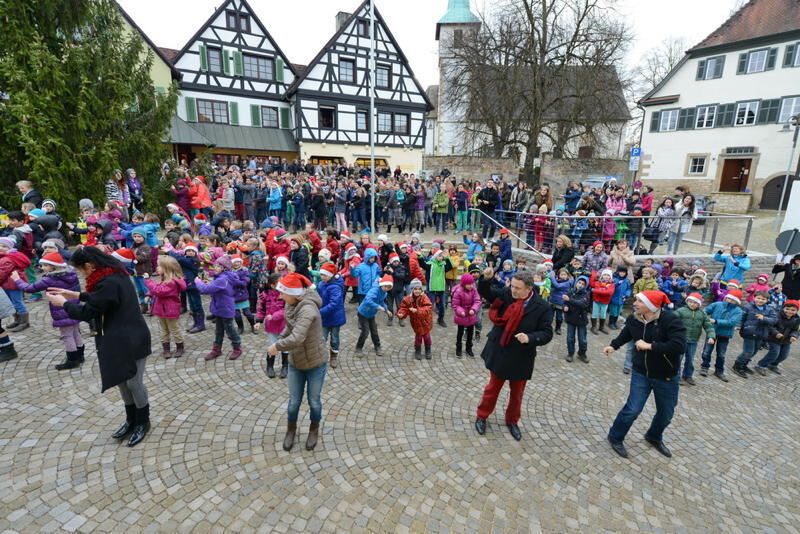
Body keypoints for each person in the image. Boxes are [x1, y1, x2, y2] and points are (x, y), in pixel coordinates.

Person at [46, 246, 153, 447]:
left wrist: (63, 303)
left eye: (81, 270)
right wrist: (74, 295)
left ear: (89, 265)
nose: (81, 274)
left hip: (131, 338)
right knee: (122, 380)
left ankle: (143, 422)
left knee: (133, 382)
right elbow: (103, 300)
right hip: (118, 337)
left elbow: (88, 312)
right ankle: (131, 419)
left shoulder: (109, 281)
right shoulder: (112, 275)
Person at [603, 290, 687, 458]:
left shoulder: (671, 320)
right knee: (632, 409)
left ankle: (654, 436)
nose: (635, 304)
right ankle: (615, 437)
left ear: (651, 306)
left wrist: (650, 346)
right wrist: (614, 345)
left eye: (639, 302)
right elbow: (627, 333)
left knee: (666, 414)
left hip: (666, 376)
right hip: (641, 372)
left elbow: (679, 346)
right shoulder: (634, 318)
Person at [474, 269, 553, 441]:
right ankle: (482, 416)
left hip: (521, 356)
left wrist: (530, 338)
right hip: (501, 351)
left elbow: (547, 333)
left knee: (517, 395)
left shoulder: (543, 307)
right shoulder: (507, 294)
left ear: (529, 288)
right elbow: (487, 293)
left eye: (518, 288)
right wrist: (486, 279)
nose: (513, 290)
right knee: (492, 389)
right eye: (513, 286)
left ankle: (512, 420)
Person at [266, 273, 327, 452]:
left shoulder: (308, 309)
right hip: (296, 362)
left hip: (315, 363)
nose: (280, 296)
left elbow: (298, 337)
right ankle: (291, 430)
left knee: (314, 401)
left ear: (294, 294)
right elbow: (289, 328)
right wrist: (279, 339)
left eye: (283, 293)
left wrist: (277, 346)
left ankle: (314, 429)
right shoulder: (291, 303)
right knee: (294, 402)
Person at [12, 251, 84, 369]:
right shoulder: (71, 274)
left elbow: (30, 288)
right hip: (74, 308)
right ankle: (80, 356)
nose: (42, 268)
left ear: (54, 266)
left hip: (62, 310)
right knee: (76, 332)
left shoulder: (49, 279)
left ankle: (72, 360)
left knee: (67, 335)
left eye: (45, 265)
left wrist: (17, 280)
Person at [196, 255, 241, 361]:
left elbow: (206, 290)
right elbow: (215, 287)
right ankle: (217, 349)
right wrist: (210, 283)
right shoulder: (223, 278)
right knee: (219, 330)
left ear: (223, 268)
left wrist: (198, 282)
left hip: (225, 308)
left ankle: (237, 348)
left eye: (217, 266)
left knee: (230, 330)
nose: (214, 268)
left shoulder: (222, 279)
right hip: (220, 307)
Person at [144, 256, 187, 358]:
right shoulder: (164, 279)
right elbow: (158, 288)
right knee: (164, 330)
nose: (157, 268)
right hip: (161, 309)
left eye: (159, 266)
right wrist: (149, 294)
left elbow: (160, 291)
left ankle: (180, 347)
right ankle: (166, 349)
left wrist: (148, 281)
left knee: (174, 329)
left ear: (167, 268)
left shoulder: (172, 282)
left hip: (170, 310)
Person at [732, 290, 778, 378]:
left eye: (763, 299)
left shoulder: (769, 309)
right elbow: (741, 317)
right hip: (749, 332)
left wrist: (764, 318)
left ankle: (744, 364)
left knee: (755, 351)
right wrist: (738, 325)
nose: (760, 300)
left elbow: (774, 320)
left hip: (761, 334)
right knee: (748, 351)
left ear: (767, 300)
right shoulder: (748, 307)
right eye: (758, 298)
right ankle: (737, 365)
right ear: (754, 298)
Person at [673, 293, 715, 386]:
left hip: (693, 340)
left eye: (695, 303)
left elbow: (708, 326)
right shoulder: (681, 311)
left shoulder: (702, 314)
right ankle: (676, 376)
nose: (692, 304)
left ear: (699, 304)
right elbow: (672, 321)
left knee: (690, 359)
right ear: (687, 301)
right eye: (690, 302)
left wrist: (711, 336)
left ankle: (688, 375)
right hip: (681, 340)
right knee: (678, 359)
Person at [255, 273, 288, 378]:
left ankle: (285, 366)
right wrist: (258, 321)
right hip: (271, 327)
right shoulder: (265, 295)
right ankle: (270, 366)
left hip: (284, 325)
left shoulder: (285, 294)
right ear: (273, 285)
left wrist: (274, 316)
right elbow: (261, 309)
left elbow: (286, 309)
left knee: (285, 346)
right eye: (280, 282)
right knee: (271, 345)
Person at [756, 300, 800, 374]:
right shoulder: (777, 315)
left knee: (784, 355)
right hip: (773, 338)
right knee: (774, 353)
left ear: (797, 311)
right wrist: (776, 333)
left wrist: (794, 336)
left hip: (786, 340)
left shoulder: (797, 319)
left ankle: (773, 364)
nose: (789, 311)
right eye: (787, 309)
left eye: (793, 310)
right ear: (783, 308)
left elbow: (796, 330)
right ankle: (761, 365)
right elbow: (770, 326)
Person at [355, 274, 394, 356]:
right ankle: (358, 348)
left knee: (374, 331)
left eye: (389, 287)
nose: (386, 289)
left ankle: (377, 346)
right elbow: (367, 300)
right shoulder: (374, 290)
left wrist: (387, 310)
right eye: (385, 286)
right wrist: (378, 307)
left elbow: (381, 301)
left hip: (371, 314)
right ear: (382, 285)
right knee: (365, 331)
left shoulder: (384, 293)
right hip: (363, 313)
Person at [397, 278, 434, 360]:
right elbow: (404, 307)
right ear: (412, 289)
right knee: (418, 337)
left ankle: (428, 350)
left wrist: (417, 310)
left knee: (427, 337)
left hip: (426, 321)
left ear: (421, 289)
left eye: (419, 289)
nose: (417, 291)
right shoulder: (408, 299)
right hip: (416, 322)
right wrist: (401, 314)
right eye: (415, 289)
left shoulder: (424, 297)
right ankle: (418, 350)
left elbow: (428, 307)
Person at [317, 264, 345, 369]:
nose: (322, 277)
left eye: (324, 275)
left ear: (330, 275)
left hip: (335, 318)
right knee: (322, 338)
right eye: (321, 275)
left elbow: (334, 304)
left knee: (334, 339)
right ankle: (321, 356)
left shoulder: (335, 287)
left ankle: (333, 356)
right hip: (324, 317)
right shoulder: (321, 284)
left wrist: (320, 312)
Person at [451, 273, 481, 358]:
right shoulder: (458, 291)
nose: (471, 286)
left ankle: (469, 348)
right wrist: (461, 312)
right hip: (462, 315)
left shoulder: (474, 290)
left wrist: (473, 309)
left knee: (470, 333)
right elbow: (455, 305)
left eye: (472, 284)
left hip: (471, 315)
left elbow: (477, 301)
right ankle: (458, 348)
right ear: (464, 284)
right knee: (460, 332)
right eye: (468, 284)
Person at [563, 275, 590, 363]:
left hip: (581, 320)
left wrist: (569, 300)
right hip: (571, 318)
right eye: (579, 282)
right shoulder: (570, 292)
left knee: (582, 339)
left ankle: (582, 353)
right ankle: (570, 353)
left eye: (583, 284)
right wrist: (565, 306)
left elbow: (582, 304)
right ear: (576, 283)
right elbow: (565, 302)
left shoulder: (586, 294)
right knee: (570, 337)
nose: (580, 285)